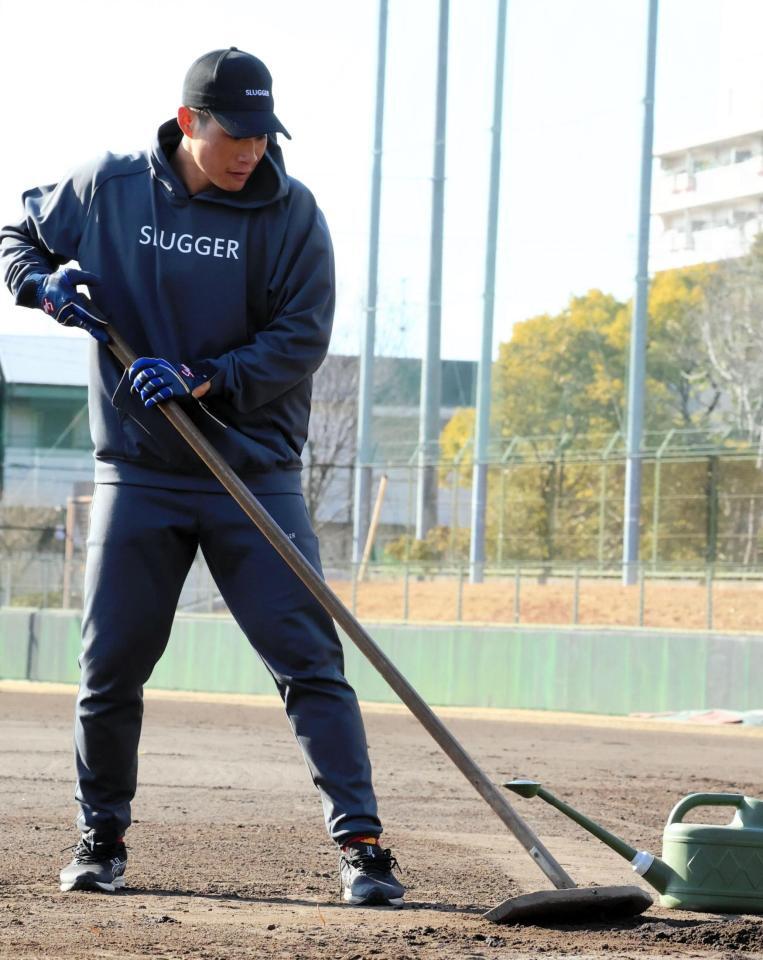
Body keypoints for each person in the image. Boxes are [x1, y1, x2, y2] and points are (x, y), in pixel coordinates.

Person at [0, 47, 404, 908]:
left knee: (309, 665)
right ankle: (99, 838)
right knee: (110, 668)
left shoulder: (291, 215)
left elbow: (301, 337)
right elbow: (17, 236)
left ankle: (363, 848)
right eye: (236, 134)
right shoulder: (108, 187)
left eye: (264, 135)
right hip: (139, 474)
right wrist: (45, 286)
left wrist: (205, 376)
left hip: (251, 474)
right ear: (190, 123)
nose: (252, 151)